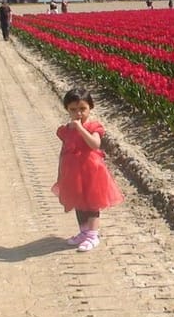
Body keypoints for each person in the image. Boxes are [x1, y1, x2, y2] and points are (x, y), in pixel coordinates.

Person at [52, 88, 124, 252]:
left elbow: (95, 144)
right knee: (78, 202)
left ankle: (93, 235)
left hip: (92, 171)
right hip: (72, 171)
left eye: (82, 109)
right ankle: (83, 232)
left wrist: (81, 129)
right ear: (67, 109)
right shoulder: (66, 130)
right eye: (73, 109)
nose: (78, 113)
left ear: (90, 108)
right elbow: (64, 151)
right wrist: (60, 173)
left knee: (92, 203)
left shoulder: (93, 126)